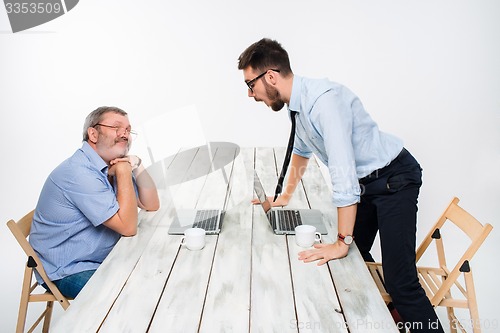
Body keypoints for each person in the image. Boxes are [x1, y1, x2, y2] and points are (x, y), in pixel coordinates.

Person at [238, 38, 443, 332]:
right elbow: (301, 149)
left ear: (270, 77)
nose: (250, 94)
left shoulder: (323, 103)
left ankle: (407, 311)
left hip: (393, 180)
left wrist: (342, 242)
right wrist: (284, 196)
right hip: (368, 184)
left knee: (402, 282)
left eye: (250, 84)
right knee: (357, 257)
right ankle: (392, 317)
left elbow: (343, 173)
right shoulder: (296, 105)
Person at [29, 106, 160, 298]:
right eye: (117, 128)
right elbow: (128, 227)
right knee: (131, 295)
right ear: (93, 133)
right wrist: (124, 171)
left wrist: (137, 164)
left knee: (156, 275)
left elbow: (151, 204)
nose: (125, 135)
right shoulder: (79, 173)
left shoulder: (109, 162)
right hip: (68, 268)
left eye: (128, 130)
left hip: (102, 257)